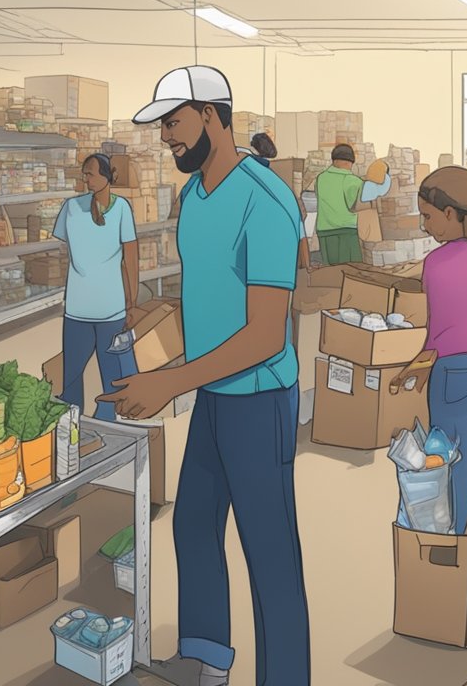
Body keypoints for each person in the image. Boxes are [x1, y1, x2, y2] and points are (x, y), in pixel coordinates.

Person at [100, 65, 309, 686]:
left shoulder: (267, 200)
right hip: (215, 396)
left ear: (213, 116)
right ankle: (205, 659)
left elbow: (267, 332)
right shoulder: (192, 198)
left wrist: (171, 383)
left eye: (174, 121)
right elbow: (209, 292)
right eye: (162, 125)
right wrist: (157, 325)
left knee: (268, 551)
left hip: (259, 398)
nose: (165, 137)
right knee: (192, 523)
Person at [392, 167, 467, 543]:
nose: (426, 226)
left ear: (450, 213)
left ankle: (453, 537)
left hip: (455, 370)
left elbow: (438, 334)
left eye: (428, 216)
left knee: (451, 457)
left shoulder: (435, 264)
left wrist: (414, 368)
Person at [53, 153, 139, 422]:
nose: (85, 178)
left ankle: (109, 426)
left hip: (110, 312)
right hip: (78, 310)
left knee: (112, 380)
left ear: (106, 176)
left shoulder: (122, 209)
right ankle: (72, 432)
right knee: (72, 380)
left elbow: (131, 260)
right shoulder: (71, 207)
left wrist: (131, 304)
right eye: (84, 173)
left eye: (90, 173)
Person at [314, 144, 364, 265]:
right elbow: (355, 206)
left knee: (330, 271)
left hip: (324, 231)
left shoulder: (320, 178)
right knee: (351, 271)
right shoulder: (352, 181)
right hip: (346, 232)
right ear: (350, 162)